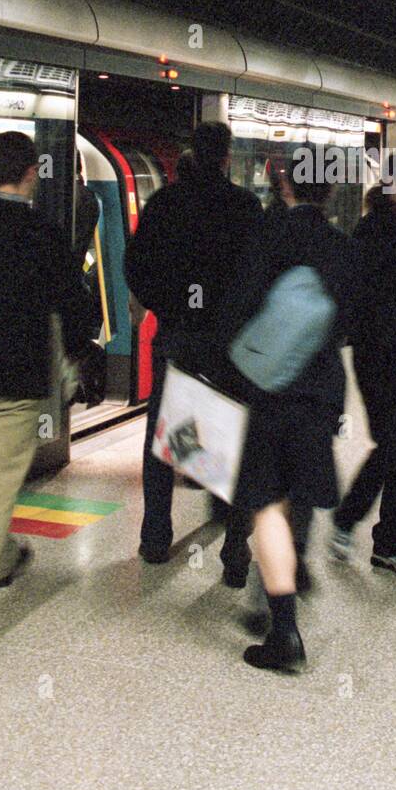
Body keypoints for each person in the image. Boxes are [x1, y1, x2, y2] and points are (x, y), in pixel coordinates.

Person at [0, 132, 91, 660]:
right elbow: (72, 304)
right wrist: (82, 351)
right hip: (16, 380)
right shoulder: (45, 235)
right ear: (33, 172)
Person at [231, 149, 354, 674]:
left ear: (287, 186)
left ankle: (283, 626)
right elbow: (347, 324)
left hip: (267, 391)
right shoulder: (342, 249)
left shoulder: (265, 236)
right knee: (298, 492)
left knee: (265, 501)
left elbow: (236, 307)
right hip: (319, 391)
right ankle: (288, 570)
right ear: (329, 193)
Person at [123, 123, 263, 579]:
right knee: (227, 431)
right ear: (225, 157)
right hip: (227, 341)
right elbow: (257, 275)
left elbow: (136, 266)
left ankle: (155, 538)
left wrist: (166, 306)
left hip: (178, 334)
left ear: (192, 155)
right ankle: (232, 544)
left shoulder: (164, 203)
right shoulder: (244, 206)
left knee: (165, 434)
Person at [330, 152, 396, 576]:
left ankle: (376, 533)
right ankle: (381, 536)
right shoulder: (372, 227)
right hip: (378, 352)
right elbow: (358, 285)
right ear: (392, 184)